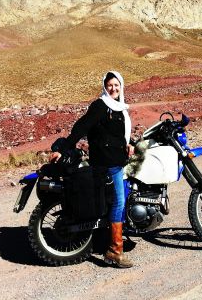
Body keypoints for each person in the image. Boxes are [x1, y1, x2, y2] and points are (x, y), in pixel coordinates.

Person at [49, 70, 134, 268]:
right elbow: (81, 127)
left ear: (121, 86)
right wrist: (63, 148)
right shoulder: (100, 105)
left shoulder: (120, 108)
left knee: (121, 196)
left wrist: (130, 143)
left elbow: (116, 134)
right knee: (119, 202)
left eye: (116, 85)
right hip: (107, 163)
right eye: (110, 85)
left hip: (117, 160)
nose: (113, 88)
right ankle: (114, 250)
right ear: (104, 86)